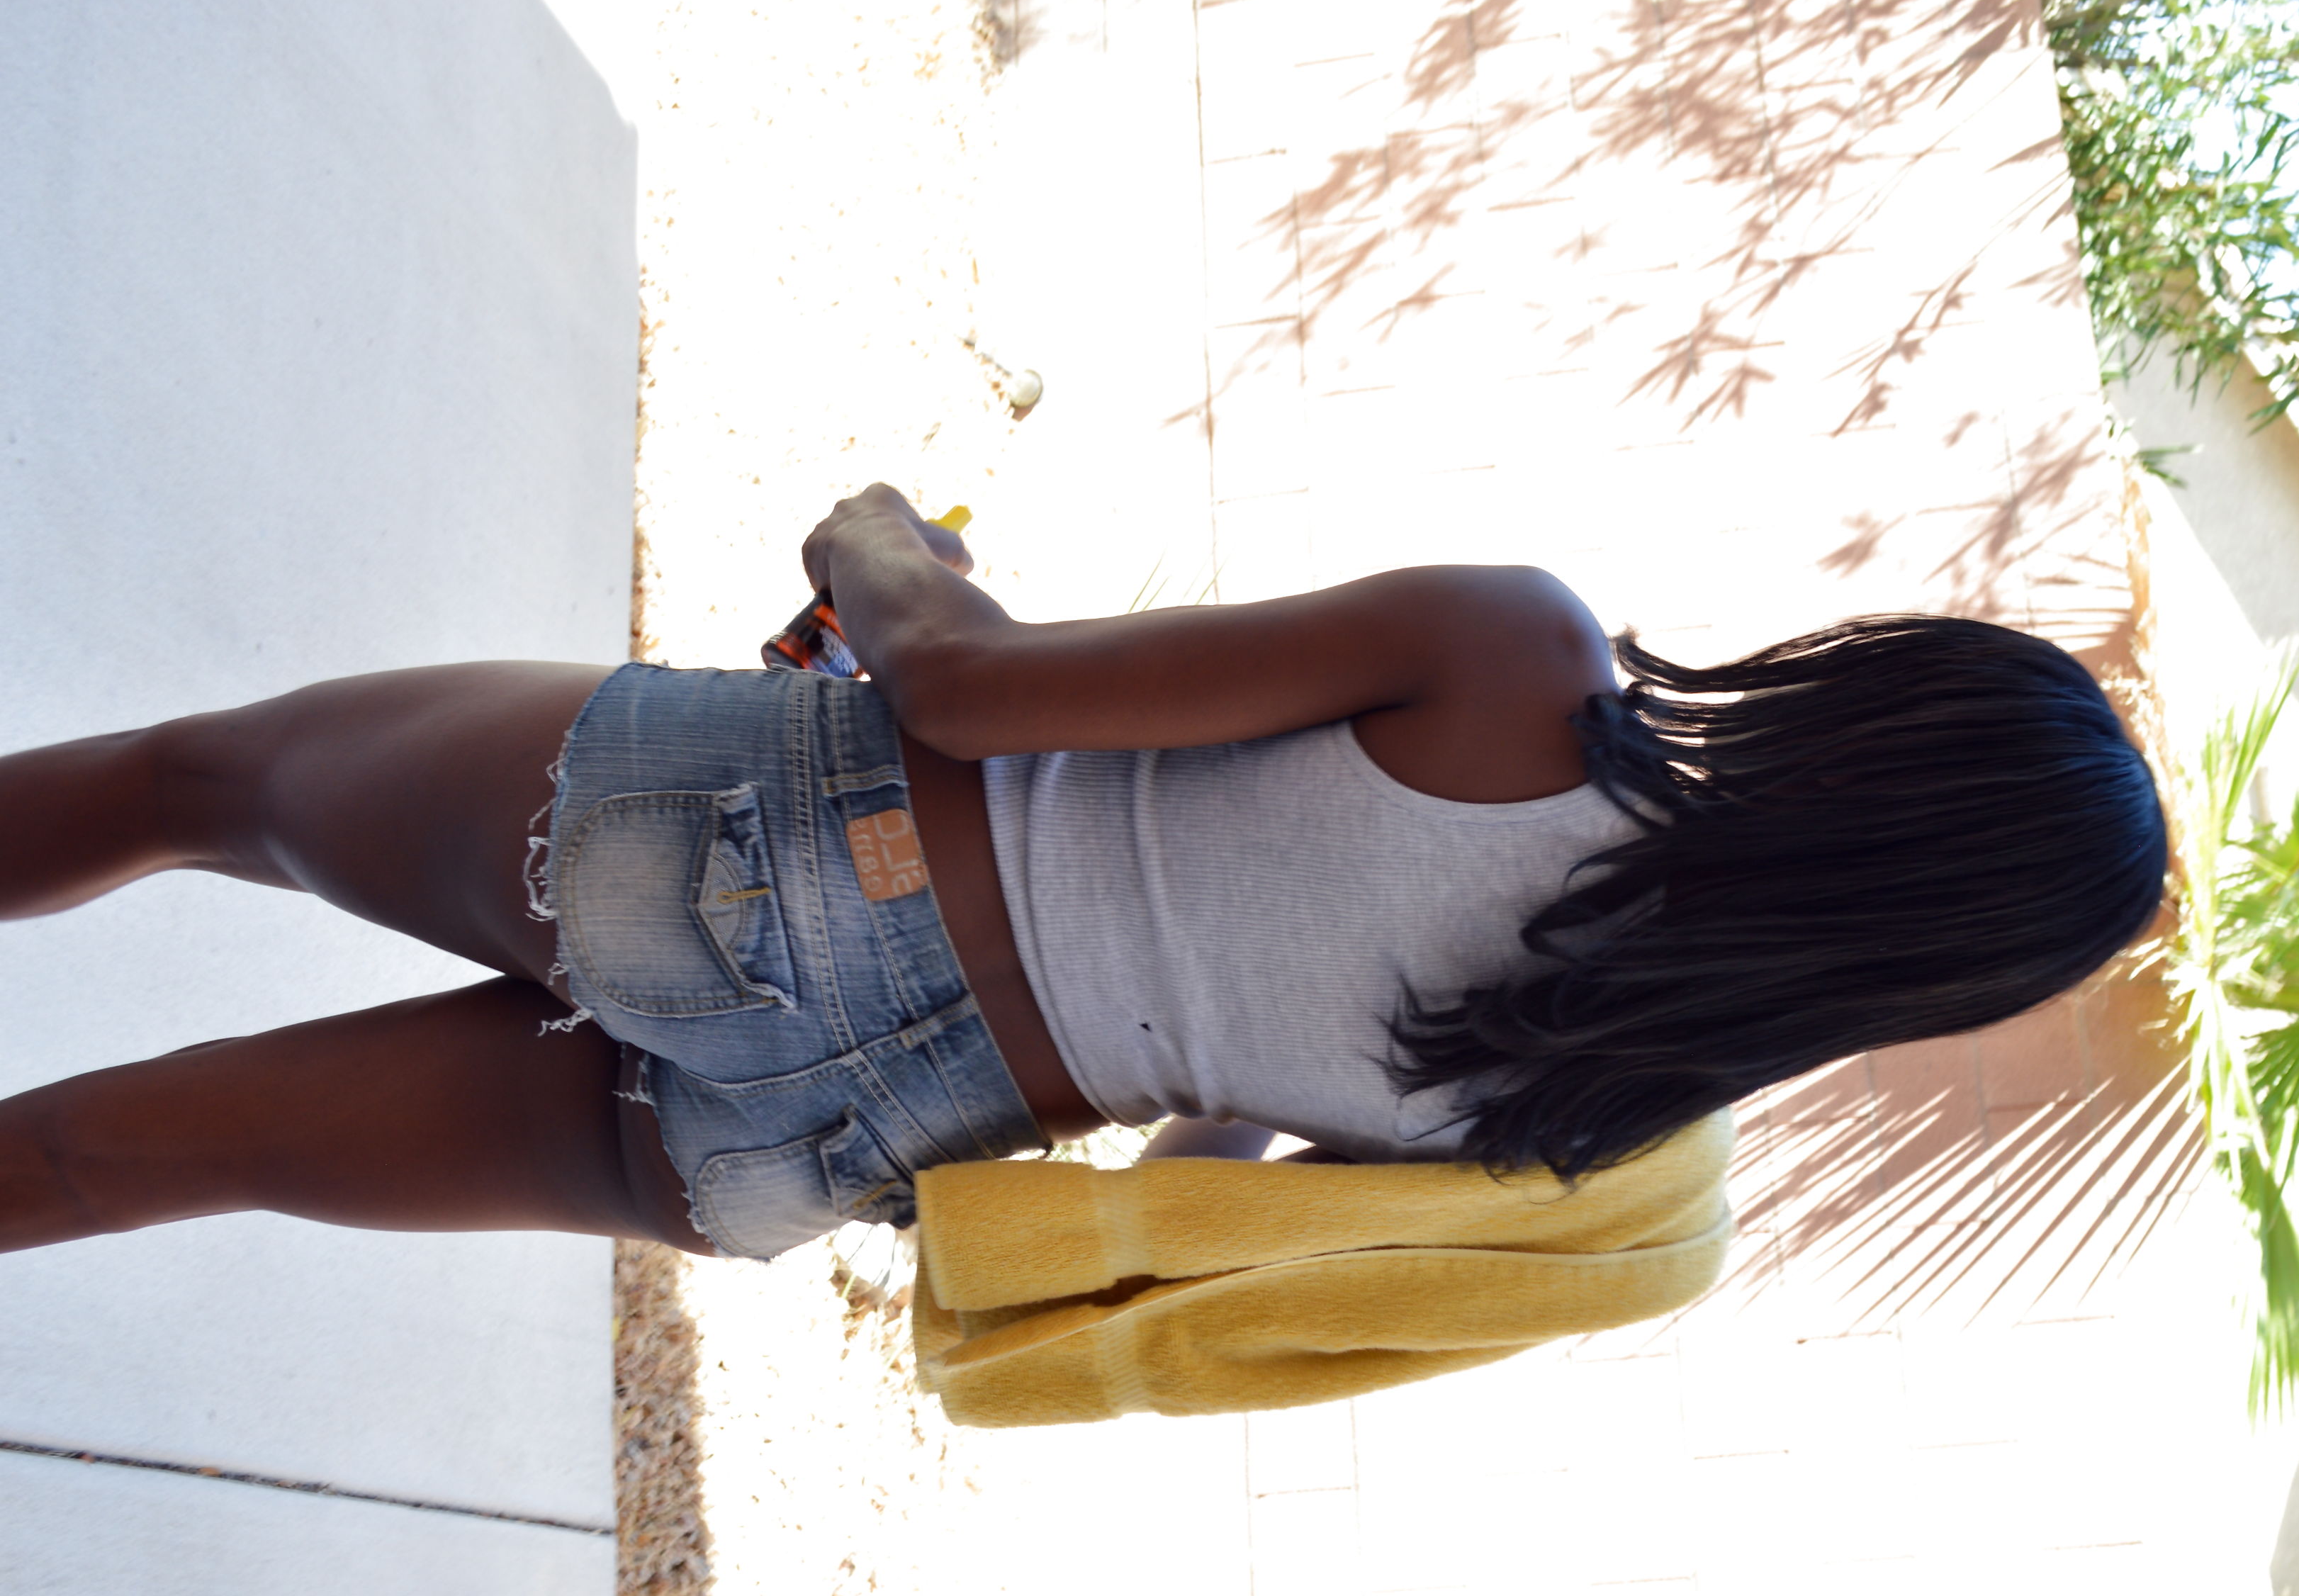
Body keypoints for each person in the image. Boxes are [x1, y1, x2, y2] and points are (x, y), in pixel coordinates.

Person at [0, 484, 2167, 1261]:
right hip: (827, 1140)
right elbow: (1207, 1170)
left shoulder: (1520, 667)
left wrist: (879, 549)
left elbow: (966, 693)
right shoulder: (1601, 1107)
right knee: (131, 1160)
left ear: (1881, 717)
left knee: (199, 784)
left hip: (754, 854)